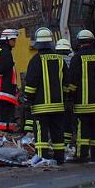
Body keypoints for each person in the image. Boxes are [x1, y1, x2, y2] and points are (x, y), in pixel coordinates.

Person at [66, 29, 95, 162]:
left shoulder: (76, 58)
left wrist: (70, 95)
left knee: (82, 131)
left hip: (82, 103)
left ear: (79, 43)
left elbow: (73, 81)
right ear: (92, 42)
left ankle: (81, 155)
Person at [24, 28, 67, 164]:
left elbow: (31, 82)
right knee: (58, 132)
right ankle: (59, 157)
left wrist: (28, 98)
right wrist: (64, 97)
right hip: (58, 105)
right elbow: (67, 81)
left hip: (40, 106)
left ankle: (43, 157)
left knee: (41, 132)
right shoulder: (60, 60)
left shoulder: (36, 60)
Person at [55, 38, 74, 147]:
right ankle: (66, 142)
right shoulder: (71, 59)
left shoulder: (53, 60)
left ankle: (59, 141)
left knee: (58, 121)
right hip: (68, 97)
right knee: (67, 120)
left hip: (55, 97)